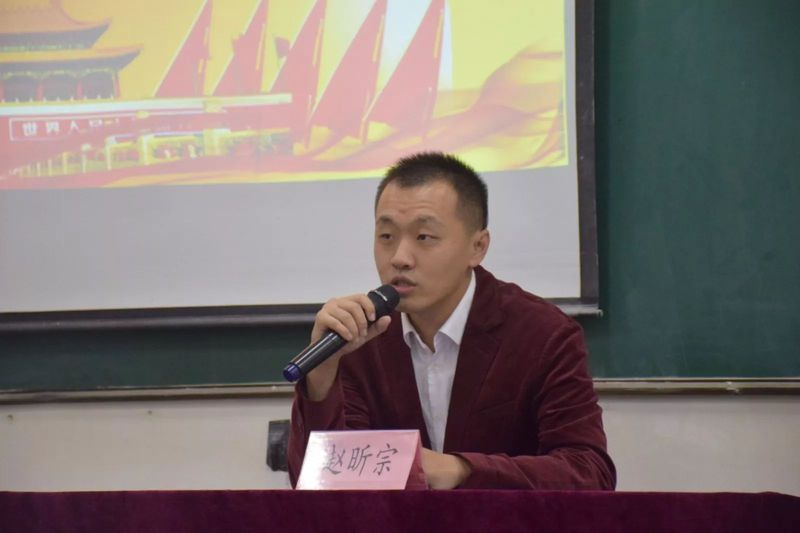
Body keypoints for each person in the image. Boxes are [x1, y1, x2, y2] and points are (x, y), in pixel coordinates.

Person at [288, 152, 615, 490]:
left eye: (424, 237)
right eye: (386, 237)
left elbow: (589, 472)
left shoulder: (542, 334)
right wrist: (321, 377)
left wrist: (462, 470)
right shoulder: (359, 336)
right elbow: (321, 483)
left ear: (478, 247)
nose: (399, 258)